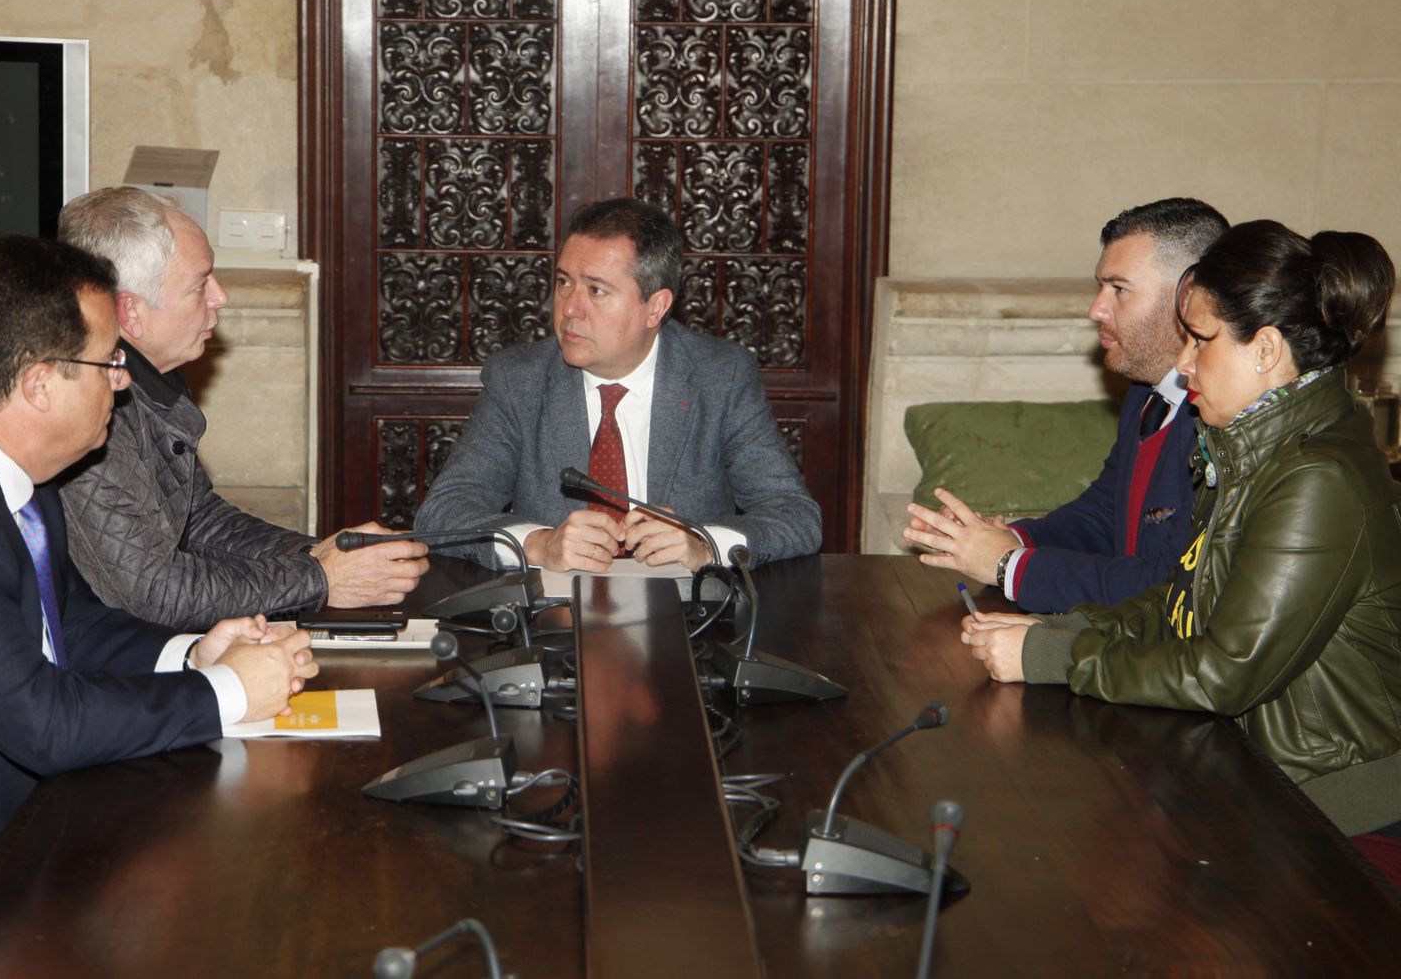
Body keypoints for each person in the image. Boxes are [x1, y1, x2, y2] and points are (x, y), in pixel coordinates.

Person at [0, 236, 320, 977]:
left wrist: (188, 653)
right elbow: (41, 721)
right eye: (110, 360)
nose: (123, 382)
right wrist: (228, 692)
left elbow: (65, 619)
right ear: (40, 384)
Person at [962, 220, 1401, 873]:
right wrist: (1060, 628)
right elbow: (1178, 598)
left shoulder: (1317, 479)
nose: (1184, 363)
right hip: (1253, 777)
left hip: (1334, 815)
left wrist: (1054, 655)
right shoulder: (1252, 447)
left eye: (1200, 340)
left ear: (1266, 349)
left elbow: (1223, 674)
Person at [57, 187, 427, 628]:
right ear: (131, 312)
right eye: (200, 285)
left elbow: (199, 520)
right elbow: (156, 592)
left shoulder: (149, 383)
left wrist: (320, 555)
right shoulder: (91, 411)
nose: (221, 296)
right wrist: (322, 578)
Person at [413, 197, 821, 571]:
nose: (570, 309)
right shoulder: (520, 379)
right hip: (556, 614)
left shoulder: (720, 377)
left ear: (655, 307)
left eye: (596, 290)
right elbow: (444, 511)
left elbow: (795, 515)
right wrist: (538, 545)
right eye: (564, 283)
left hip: (685, 616)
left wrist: (705, 545)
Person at [902, 198, 1229, 611]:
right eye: (1100, 287)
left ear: (1189, 297)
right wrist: (1008, 541)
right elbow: (1105, 514)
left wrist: (1008, 567)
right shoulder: (1146, 392)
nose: (1096, 309)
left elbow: (1171, 587)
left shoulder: (1222, 418)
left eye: (1119, 289)